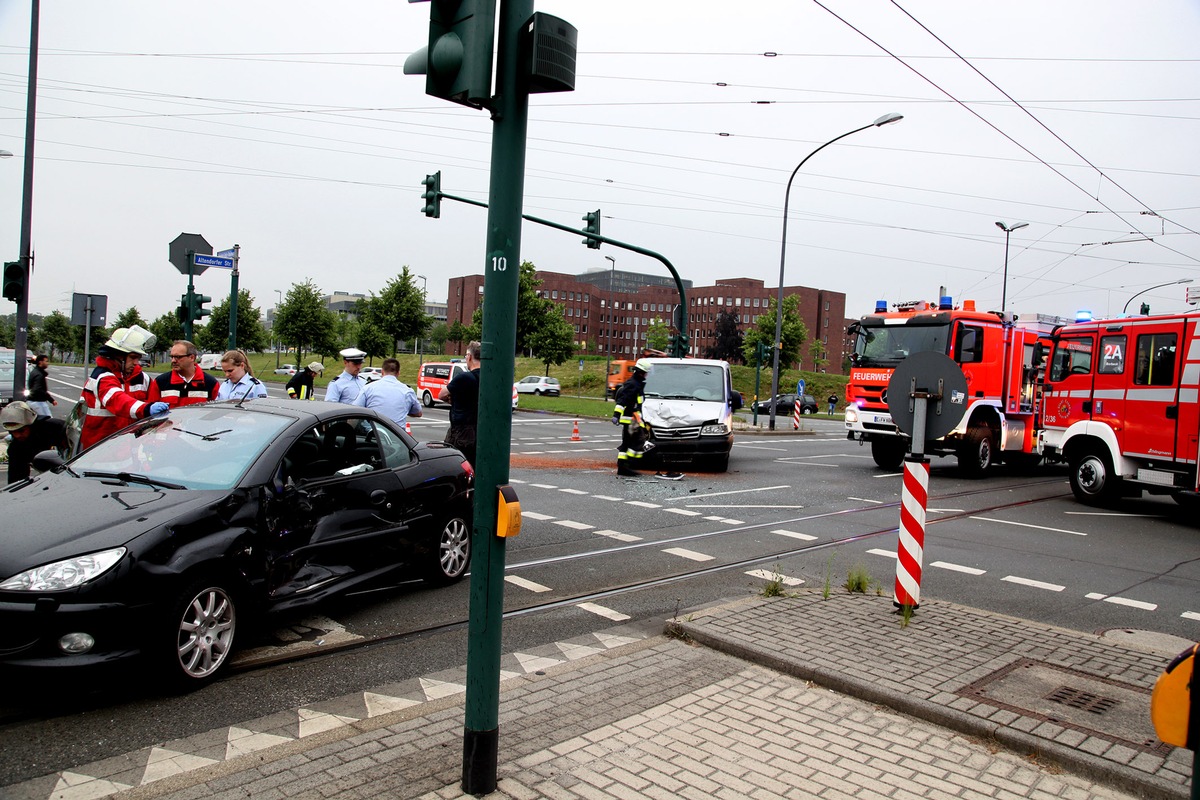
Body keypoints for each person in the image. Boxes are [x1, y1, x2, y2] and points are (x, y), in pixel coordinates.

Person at [79, 325, 169, 451]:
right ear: (118, 356)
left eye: (138, 358)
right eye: (133, 357)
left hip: (129, 448)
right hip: (100, 450)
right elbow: (118, 400)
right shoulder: (102, 377)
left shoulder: (143, 378)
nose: (136, 363)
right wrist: (146, 409)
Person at [613, 359, 680, 480]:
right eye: (645, 372)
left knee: (627, 444)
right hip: (631, 421)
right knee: (641, 444)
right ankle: (633, 467)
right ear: (640, 372)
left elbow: (637, 404)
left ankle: (623, 467)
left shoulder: (637, 383)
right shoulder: (633, 384)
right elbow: (622, 400)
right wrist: (616, 415)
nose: (647, 375)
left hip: (634, 420)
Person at [2, 401, 67, 484]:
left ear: (30, 425)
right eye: (13, 432)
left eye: (21, 431)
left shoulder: (55, 427)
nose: (17, 435)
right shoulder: (16, 448)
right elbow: (17, 480)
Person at [439, 341, 480, 465]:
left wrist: (453, 399)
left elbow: (442, 394)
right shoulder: (488, 378)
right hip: (479, 430)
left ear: (469, 357)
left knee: (454, 465)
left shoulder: (464, 378)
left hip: (462, 432)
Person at [148, 340, 219, 408]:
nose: (173, 361)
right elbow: (150, 413)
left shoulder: (211, 383)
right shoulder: (160, 382)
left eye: (178, 357)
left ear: (192, 357)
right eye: (172, 357)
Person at [353, 357, 422, 427]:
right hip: (396, 435)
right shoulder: (407, 391)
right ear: (398, 373)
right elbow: (418, 413)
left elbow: (355, 411)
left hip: (373, 434)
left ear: (382, 372)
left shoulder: (368, 388)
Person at [26, 353, 57, 418]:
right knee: (48, 420)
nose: (47, 363)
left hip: (33, 401)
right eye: (46, 361)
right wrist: (51, 399)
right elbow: (38, 389)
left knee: (40, 421)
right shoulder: (39, 375)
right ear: (40, 362)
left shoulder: (35, 372)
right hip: (38, 402)